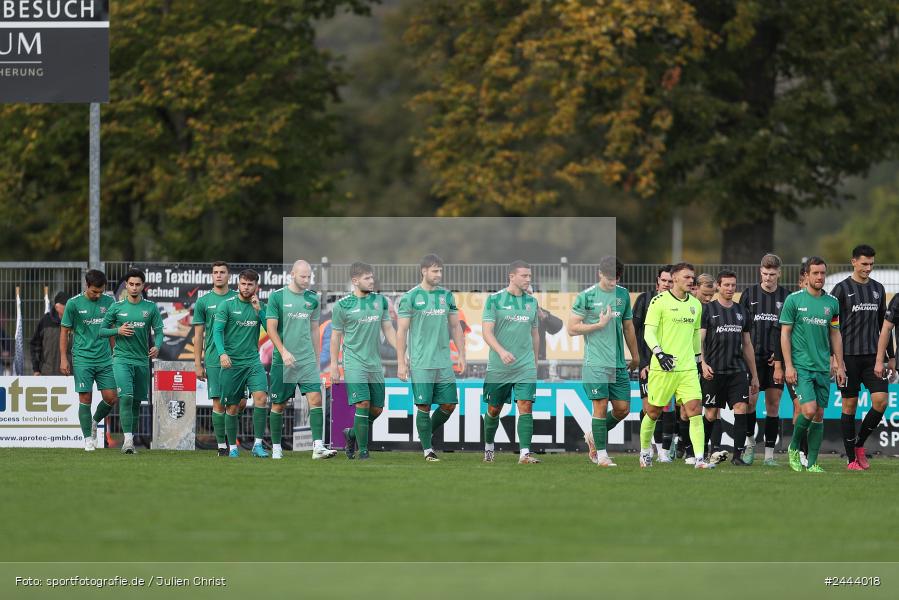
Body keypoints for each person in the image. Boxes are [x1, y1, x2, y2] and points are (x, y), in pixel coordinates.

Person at [641, 262, 714, 469]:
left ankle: (700, 459)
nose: (691, 280)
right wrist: (659, 354)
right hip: (663, 368)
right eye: (687, 277)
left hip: (687, 368)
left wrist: (699, 361)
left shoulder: (696, 305)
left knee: (694, 410)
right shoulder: (659, 301)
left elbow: (694, 335)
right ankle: (645, 451)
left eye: (692, 277)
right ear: (674, 279)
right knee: (653, 412)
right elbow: (648, 332)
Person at [568, 256, 639, 467]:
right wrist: (598, 325)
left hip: (617, 363)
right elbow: (571, 328)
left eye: (616, 278)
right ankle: (602, 456)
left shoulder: (623, 295)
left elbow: (628, 327)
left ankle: (592, 435)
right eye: (609, 278)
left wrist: (635, 356)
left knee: (622, 409)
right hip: (596, 363)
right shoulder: (587, 296)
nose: (613, 282)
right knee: (599, 407)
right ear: (600, 274)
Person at [396, 254, 466, 462]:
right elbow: (401, 331)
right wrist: (402, 362)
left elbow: (455, 326)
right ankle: (428, 450)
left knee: (449, 405)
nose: (439, 275)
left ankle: (424, 431)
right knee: (423, 406)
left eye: (440, 271)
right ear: (424, 271)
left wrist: (462, 354)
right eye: (435, 271)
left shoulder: (447, 296)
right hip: (421, 362)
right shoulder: (410, 297)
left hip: (444, 361)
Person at [267, 260, 337, 460]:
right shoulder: (277, 297)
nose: (306, 280)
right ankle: (277, 448)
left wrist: (315, 359)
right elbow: (271, 328)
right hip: (284, 360)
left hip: (306, 360)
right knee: (278, 405)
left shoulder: (312, 298)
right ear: (292, 274)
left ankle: (317, 448)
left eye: (309, 277)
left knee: (315, 399)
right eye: (303, 276)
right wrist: (283, 351)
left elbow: (315, 329)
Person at [781, 257, 846, 472]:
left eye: (822, 273)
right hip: (801, 367)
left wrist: (839, 363)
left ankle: (813, 463)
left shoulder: (832, 303)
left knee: (818, 415)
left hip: (822, 368)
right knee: (807, 410)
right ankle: (793, 447)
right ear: (806, 276)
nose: (820, 277)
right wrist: (788, 366)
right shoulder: (794, 300)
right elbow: (785, 335)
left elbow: (835, 335)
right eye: (815, 273)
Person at [831, 245, 890, 470]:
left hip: (872, 357)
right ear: (853, 262)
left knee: (881, 401)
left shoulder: (878, 289)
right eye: (864, 264)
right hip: (848, 358)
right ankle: (851, 460)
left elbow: (884, 326)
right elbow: (832, 327)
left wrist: (889, 357)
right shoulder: (841, 289)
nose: (868, 268)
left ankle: (859, 445)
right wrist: (835, 360)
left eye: (871, 264)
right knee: (849, 405)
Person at [331, 262, 397, 461]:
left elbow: (388, 329)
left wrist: (402, 352)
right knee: (363, 403)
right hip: (353, 362)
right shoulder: (342, 305)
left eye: (372, 277)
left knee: (376, 409)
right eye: (367, 278)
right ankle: (363, 451)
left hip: (374, 363)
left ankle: (351, 434)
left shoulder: (380, 302)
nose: (371, 281)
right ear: (355, 281)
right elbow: (335, 337)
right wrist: (335, 365)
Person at [481, 260, 541, 464]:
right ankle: (489, 447)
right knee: (493, 409)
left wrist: (535, 360)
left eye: (530, 276)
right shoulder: (494, 300)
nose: (528, 279)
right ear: (512, 276)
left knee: (525, 405)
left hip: (525, 366)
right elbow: (486, 332)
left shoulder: (532, 302)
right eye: (524, 276)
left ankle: (524, 453)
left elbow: (535, 334)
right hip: (499, 366)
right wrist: (501, 351)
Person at [99, 269, 164, 454]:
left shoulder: (150, 308)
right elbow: (102, 331)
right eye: (131, 284)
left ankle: (131, 439)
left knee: (136, 402)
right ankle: (127, 442)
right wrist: (117, 331)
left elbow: (159, 331)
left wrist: (157, 345)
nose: (134, 288)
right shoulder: (117, 307)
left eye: (138, 284)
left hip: (142, 361)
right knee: (125, 397)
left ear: (143, 286)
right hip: (121, 359)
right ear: (126, 285)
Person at [699, 270, 759, 466]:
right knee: (710, 413)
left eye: (733, 285)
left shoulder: (742, 312)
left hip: (737, 370)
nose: (730, 288)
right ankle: (708, 450)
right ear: (718, 286)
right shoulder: (708, 310)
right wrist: (703, 363)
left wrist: (754, 375)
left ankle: (738, 457)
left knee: (741, 408)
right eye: (726, 285)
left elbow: (747, 344)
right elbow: (699, 340)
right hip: (713, 371)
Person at [60, 269, 119, 452]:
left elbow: (111, 329)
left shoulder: (110, 302)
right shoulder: (73, 304)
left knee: (111, 397)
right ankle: (88, 440)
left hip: (105, 359)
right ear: (87, 286)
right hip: (82, 358)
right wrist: (63, 358)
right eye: (95, 291)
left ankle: (94, 422)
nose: (98, 294)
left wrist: (115, 353)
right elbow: (64, 332)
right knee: (85, 397)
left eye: (101, 291)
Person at [739, 253, 790, 466]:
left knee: (773, 404)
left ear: (779, 273)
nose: (768, 277)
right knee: (750, 403)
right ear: (760, 271)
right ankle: (750, 444)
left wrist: (779, 356)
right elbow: (740, 327)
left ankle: (769, 455)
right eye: (765, 273)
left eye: (772, 274)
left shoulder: (787, 297)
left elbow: (789, 331)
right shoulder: (749, 294)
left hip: (775, 361)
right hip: (752, 359)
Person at [214, 269, 268, 459]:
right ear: (238, 284)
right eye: (243, 284)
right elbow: (217, 331)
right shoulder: (226, 305)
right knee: (233, 407)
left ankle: (258, 445)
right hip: (232, 363)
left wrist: (259, 311)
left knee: (261, 398)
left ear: (256, 287)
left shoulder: (260, 307)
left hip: (253, 361)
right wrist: (222, 354)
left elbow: (271, 330)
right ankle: (233, 448)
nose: (246, 287)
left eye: (250, 284)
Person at [192, 261, 238, 456]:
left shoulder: (238, 298)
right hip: (213, 358)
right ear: (212, 275)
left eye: (222, 272)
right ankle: (222, 446)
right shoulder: (203, 302)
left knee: (238, 403)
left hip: (237, 358)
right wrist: (197, 363)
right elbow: (198, 334)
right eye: (215, 272)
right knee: (218, 403)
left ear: (229, 275)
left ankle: (233, 441)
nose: (218, 275)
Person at [631, 266, 674, 460]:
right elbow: (634, 332)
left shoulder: (678, 303)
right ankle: (647, 449)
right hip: (648, 364)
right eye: (664, 281)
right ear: (658, 281)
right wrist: (642, 361)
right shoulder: (644, 300)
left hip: (671, 365)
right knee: (650, 408)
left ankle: (664, 451)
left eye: (670, 281)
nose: (667, 284)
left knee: (668, 408)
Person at [31, 291, 71, 376]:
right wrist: (36, 369)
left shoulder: (76, 322)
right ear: (57, 307)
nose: (69, 308)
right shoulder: (45, 322)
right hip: (47, 374)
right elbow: (35, 345)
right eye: (66, 306)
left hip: (70, 374)